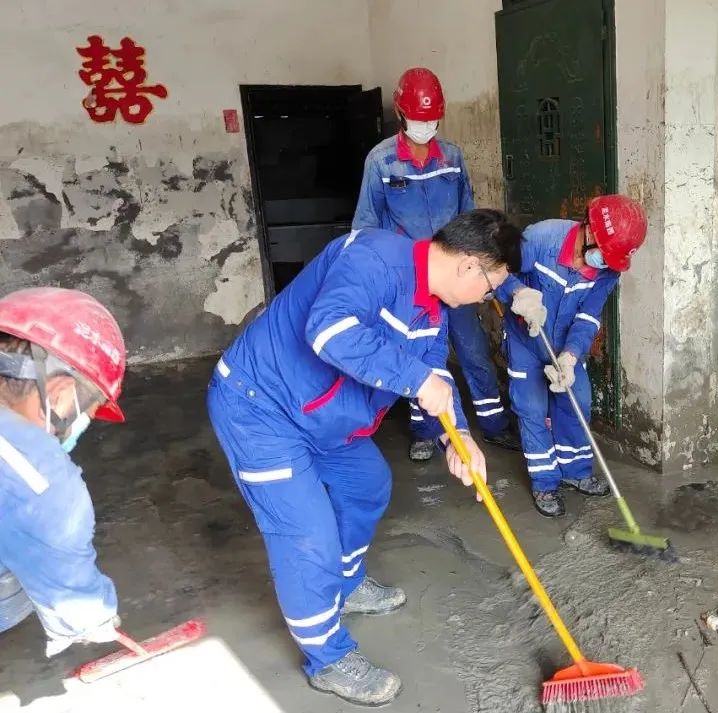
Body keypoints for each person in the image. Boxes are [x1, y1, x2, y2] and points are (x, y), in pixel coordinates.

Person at [207, 209, 523, 707]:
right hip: (261, 407)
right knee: (306, 533)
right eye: (491, 288)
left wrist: (458, 436)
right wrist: (415, 380)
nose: (487, 300)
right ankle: (327, 658)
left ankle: (345, 584)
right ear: (469, 265)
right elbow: (329, 329)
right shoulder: (374, 257)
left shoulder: (433, 309)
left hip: (323, 416)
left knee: (367, 483)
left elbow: (433, 373)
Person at [352, 66, 519, 462]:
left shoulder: (453, 158)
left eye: (431, 118)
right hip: (411, 281)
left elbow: (471, 219)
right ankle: (425, 431)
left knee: (474, 351)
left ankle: (494, 425)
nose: (425, 125)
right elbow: (366, 226)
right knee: (419, 357)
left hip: (455, 276)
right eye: (418, 118)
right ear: (401, 113)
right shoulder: (381, 161)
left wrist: (483, 270)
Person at [497, 195, 647, 517]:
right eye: (606, 253)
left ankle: (576, 473)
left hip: (565, 343)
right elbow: (498, 271)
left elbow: (588, 316)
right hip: (526, 341)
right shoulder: (540, 239)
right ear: (590, 230)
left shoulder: (609, 268)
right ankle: (545, 483)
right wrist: (519, 294)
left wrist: (570, 355)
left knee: (577, 400)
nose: (606, 263)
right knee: (531, 407)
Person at [0, 288, 127, 655]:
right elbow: (72, 603)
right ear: (58, 394)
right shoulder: (38, 478)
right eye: (85, 413)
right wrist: (95, 619)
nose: (78, 426)